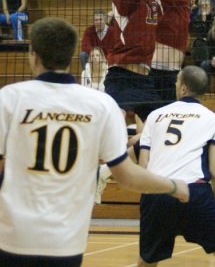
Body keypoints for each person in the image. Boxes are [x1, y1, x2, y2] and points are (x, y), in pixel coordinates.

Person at [0, 17, 189, 267]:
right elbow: (126, 176)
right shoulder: (101, 105)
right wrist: (174, 186)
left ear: (32, 54)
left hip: (11, 238)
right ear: (72, 57)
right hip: (65, 241)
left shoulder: (8, 98)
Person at [136, 65, 215, 267]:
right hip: (194, 193)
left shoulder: (155, 116)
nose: (175, 84)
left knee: (147, 262)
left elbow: (143, 165)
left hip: (157, 192)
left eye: (177, 81)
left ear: (184, 88)